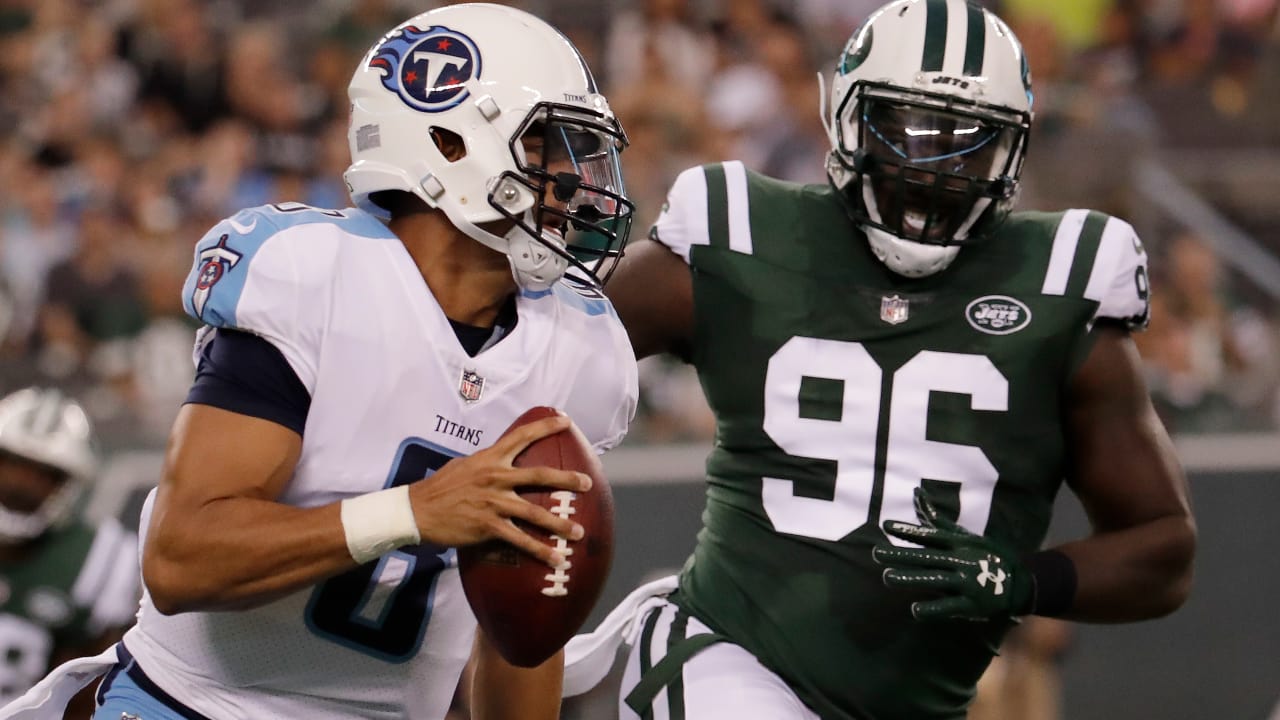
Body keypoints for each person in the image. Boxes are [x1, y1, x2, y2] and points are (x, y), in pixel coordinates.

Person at [6, 5, 638, 720]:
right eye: (546, 146)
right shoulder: (316, 279)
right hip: (195, 706)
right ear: (449, 141)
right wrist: (411, 513)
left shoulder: (578, 348)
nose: (571, 182)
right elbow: (182, 558)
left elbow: (522, 632)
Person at [579, 1, 1196, 719]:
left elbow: (1163, 548)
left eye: (972, 141)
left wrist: (1024, 580)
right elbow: (545, 351)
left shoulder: (1062, 285)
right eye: (908, 129)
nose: (937, 167)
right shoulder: (747, 235)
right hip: (724, 653)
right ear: (845, 116)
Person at [0, 387, 139, 717]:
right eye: (12, 463)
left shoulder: (100, 557)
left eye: (44, 473)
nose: (21, 484)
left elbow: (87, 695)